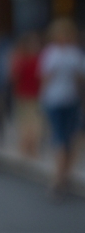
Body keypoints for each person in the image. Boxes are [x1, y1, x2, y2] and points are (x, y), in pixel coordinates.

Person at [38, 18, 84, 195]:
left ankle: (59, 177)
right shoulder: (74, 54)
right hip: (65, 100)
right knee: (66, 138)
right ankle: (63, 175)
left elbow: (46, 79)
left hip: (58, 100)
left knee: (62, 139)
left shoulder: (52, 53)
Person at [10, 30, 43, 158]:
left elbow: (14, 77)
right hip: (32, 93)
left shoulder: (21, 59)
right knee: (34, 121)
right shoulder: (40, 60)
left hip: (24, 93)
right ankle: (32, 147)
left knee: (26, 121)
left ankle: (26, 146)